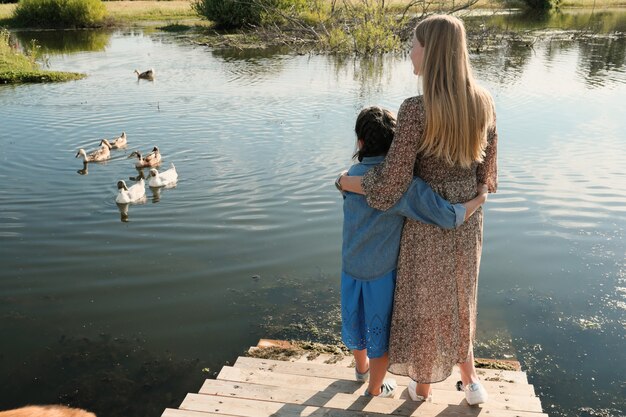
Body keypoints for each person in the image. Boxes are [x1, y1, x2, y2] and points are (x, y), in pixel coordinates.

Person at [338, 15, 498, 405]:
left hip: (426, 223)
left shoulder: (415, 109)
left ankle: (422, 388)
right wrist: (474, 201)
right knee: (462, 297)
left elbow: (392, 182)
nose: (410, 52)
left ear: (434, 52)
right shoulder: (484, 102)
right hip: (468, 220)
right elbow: (488, 173)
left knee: (426, 305)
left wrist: (346, 182)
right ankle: (471, 382)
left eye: (415, 44)